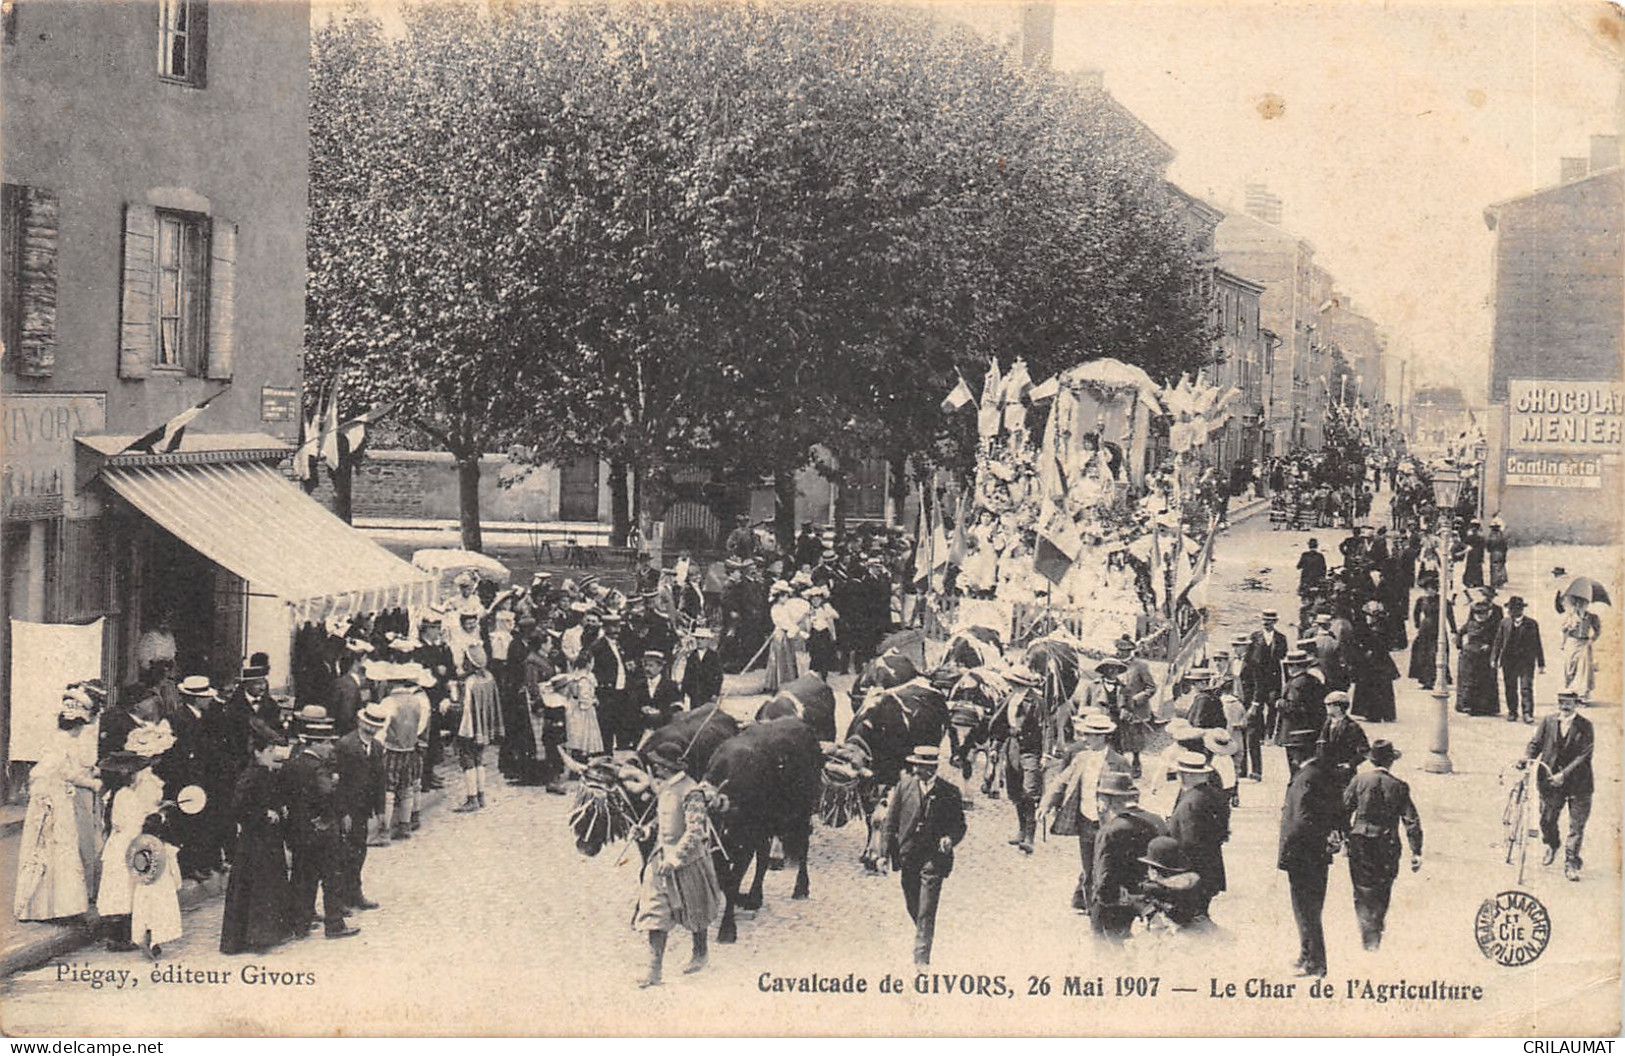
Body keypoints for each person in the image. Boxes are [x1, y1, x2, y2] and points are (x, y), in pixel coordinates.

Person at [632, 740, 725, 986]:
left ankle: (700, 952)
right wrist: (645, 831)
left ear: (665, 767)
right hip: (660, 859)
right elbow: (661, 821)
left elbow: (695, 831)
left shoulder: (691, 792)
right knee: (654, 911)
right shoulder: (665, 788)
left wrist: (676, 857)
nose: (655, 768)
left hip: (688, 862)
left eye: (658, 765)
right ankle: (654, 970)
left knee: (696, 910)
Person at [14, 687, 104, 922]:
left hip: (61, 800)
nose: (81, 730)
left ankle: (62, 906)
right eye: (81, 726)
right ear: (75, 724)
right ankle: (52, 908)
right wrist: (91, 783)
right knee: (55, 852)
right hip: (53, 803)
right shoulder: (62, 743)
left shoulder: (62, 740)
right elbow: (63, 772)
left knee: (64, 851)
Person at [878, 746, 966, 967]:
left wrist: (950, 838)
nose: (916, 769)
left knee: (926, 910)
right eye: (915, 764)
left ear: (932, 767)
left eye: (921, 766)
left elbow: (960, 825)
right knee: (913, 905)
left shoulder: (950, 792)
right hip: (907, 856)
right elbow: (890, 823)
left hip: (934, 859)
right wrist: (883, 855)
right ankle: (924, 933)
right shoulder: (904, 787)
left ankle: (921, 959)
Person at [281, 706, 360, 940]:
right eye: (326, 743)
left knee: (303, 879)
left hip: (299, 832)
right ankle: (335, 924)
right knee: (331, 878)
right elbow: (327, 797)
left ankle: (300, 925)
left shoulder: (291, 764)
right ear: (315, 744)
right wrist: (330, 817)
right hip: (322, 833)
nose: (329, 748)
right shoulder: (319, 769)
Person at [1038, 713, 1129, 913]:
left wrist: (1114, 808)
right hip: (1085, 820)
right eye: (1084, 734)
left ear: (1103, 736)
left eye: (1090, 735)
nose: (1085, 739)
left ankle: (1102, 906)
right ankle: (1091, 909)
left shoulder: (1119, 762)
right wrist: (1047, 803)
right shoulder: (1081, 758)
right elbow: (1061, 781)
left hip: (1107, 824)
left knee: (1104, 866)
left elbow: (1129, 794)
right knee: (1088, 868)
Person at [220, 718, 295, 954]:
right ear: (257, 752)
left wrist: (279, 808)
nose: (273, 754)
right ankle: (255, 937)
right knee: (257, 888)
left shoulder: (265, 773)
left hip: (267, 840)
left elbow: (270, 798)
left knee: (268, 886)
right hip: (255, 841)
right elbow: (238, 808)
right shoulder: (251, 775)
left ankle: (267, 933)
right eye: (269, 750)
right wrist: (264, 813)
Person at [1342, 739, 1423, 951]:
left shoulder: (1359, 781)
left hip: (1359, 840)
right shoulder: (1399, 786)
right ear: (1390, 762)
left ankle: (1368, 934)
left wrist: (1343, 836)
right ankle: (1376, 925)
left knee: (1362, 888)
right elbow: (1411, 820)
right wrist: (1416, 851)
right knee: (1383, 886)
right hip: (1387, 842)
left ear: (1371, 761)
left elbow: (1343, 810)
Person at [1277, 729, 1341, 978]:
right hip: (1315, 854)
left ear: (1295, 753)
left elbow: (1302, 821)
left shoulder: (1305, 777)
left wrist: (1290, 848)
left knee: (1306, 911)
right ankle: (1306, 954)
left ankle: (1315, 962)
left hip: (1303, 855)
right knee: (1309, 909)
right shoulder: (1320, 773)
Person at [1523, 691, 1594, 881]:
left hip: (1579, 783)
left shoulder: (1585, 726)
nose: (1565, 706)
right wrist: (1527, 758)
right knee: (1547, 820)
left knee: (1576, 826)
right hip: (1549, 781)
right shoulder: (1548, 721)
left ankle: (1571, 863)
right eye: (1561, 702)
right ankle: (1552, 844)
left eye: (1569, 702)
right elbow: (1536, 743)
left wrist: (1563, 774)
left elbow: (1584, 756)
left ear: (1576, 704)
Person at [1090, 771, 1166, 943]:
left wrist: (1102, 900)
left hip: (1111, 902)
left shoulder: (1109, 831)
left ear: (1107, 800)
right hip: (1141, 897)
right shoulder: (1150, 823)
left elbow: (1104, 873)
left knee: (1105, 949)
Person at [335, 703, 386, 912]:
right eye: (368, 724)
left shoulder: (376, 747)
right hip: (348, 809)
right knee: (345, 853)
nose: (371, 729)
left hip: (364, 809)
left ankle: (355, 893)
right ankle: (342, 898)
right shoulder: (345, 745)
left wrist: (381, 810)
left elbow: (380, 780)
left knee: (359, 851)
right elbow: (338, 783)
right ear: (360, 722)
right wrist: (343, 812)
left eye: (375, 726)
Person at [1166, 752, 1229, 920]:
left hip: (1193, 874)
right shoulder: (1214, 794)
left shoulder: (1190, 803)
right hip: (1211, 868)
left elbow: (1189, 843)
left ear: (1185, 775)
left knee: (1191, 920)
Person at [1000, 667, 1046, 854]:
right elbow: (1000, 723)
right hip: (1012, 748)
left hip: (1031, 750)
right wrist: (996, 747)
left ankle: (1029, 836)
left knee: (1030, 791)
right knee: (1015, 790)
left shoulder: (1037, 701)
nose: (1013, 686)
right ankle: (1020, 830)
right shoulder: (1009, 699)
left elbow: (1047, 728)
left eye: (1016, 683)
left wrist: (1046, 754)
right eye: (1012, 683)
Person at [454, 641, 504, 811]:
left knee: (467, 760)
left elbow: (465, 707)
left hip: (470, 727)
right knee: (479, 760)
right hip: (483, 727)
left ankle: (472, 798)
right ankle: (481, 795)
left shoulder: (469, 682)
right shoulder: (489, 677)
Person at [1491, 596, 1545, 725]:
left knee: (1526, 687)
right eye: (1510, 609)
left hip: (1526, 662)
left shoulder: (1531, 624)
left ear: (1520, 610)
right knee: (1510, 687)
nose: (1510, 611)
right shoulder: (1504, 623)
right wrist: (1494, 658)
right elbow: (1498, 642)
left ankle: (1527, 713)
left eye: (1513, 609)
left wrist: (1541, 664)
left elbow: (1537, 643)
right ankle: (1512, 712)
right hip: (1508, 661)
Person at [1243, 609, 1288, 751]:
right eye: (1264, 620)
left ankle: (1270, 733)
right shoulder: (1255, 637)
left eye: (1269, 620)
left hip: (1273, 678)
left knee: (1273, 706)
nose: (1266, 623)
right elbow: (1248, 658)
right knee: (1258, 705)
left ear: (1275, 622)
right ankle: (1261, 734)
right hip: (1258, 677)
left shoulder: (1281, 638)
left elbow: (1283, 656)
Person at [1349, 602, 1400, 723]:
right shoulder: (1380, 627)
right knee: (1383, 689)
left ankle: (1373, 714)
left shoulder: (1376, 630)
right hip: (1382, 663)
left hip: (1375, 663)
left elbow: (1375, 646)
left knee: (1373, 688)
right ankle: (1386, 714)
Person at [1455, 587, 1503, 716]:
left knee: (1485, 681)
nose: (1487, 598)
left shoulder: (1497, 611)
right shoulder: (1473, 613)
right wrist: (1460, 646)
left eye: (1489, 596)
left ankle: (1486, 707)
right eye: (1485, 595)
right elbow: (1463, 630)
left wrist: (1490, 646)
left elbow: (1499, 632)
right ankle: (1467, 705)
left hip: (1485, 655)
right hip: (1470, 655)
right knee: (1469, 680)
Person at [1409, 573, 1454, 690]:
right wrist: (1417, 624)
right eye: (1428, 590)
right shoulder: (1421, 600)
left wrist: (1454, 629)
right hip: (1425, 629)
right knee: (1423, 654)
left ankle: (1439, 678)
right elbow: (1415, 613)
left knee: (1436, 653)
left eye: (1433, 589)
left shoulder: (1443, 600)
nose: (1430, 592)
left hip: (1438, 629)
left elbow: (1450, 615)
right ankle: (1426, 680)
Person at [1554, 591, 1601, 702]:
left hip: (1584, 644)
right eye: (1579, 603)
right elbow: (1563, 630)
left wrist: (1591, 640)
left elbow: (1597, 631)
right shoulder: (1570, 616)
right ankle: (1571, 691)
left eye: (1584, 603)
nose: (1581, 605)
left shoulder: (1592, 617)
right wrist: (1569, 628)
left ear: (1587, 604)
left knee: (1584, 668)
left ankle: (1582, 694)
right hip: (1572, 642)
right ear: (1575, 604)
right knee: (1570, 666)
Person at [630, 650, 683, 737]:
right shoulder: (638, 685)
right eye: (645, 665)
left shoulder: (670, 685)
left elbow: (678, 706)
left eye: (651, 666)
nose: (647, 669)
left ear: (660, 667)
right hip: (641, 732)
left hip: (664, 730)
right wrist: (641, 709)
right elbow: (632, 704)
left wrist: (661, 712)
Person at [680, 628, 724, 710]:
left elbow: (719, 676)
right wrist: (683, 693)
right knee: (695, 715)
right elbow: (687, 676)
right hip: (695, 693)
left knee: (707, 714)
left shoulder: (714, 656)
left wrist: (715, 693)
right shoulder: (692, 656)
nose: (699, 641)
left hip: (708, 693)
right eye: (697, 638)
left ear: (708, 640)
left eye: (702, 638)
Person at [1485, 519, 1509, 589]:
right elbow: (1505, 546)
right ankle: (1501, 582)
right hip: (1501, 553)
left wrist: (1489, 550)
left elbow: (1488, 545)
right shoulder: (1501, 535)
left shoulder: (1491, 535)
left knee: (1494, 568)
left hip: (1494, 553)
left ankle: (1495, 583)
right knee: (1501, 567)